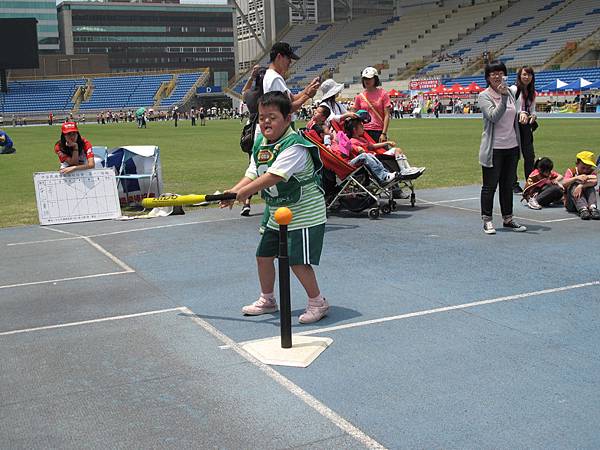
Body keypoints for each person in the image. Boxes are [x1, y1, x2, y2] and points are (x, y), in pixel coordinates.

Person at [220, 91, 329, 324]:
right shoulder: (261, 142)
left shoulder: (294, 146)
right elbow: (253, 172)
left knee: (297, 260)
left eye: (272, 116)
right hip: (277, 209)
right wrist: (233, 191)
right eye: (261, 117)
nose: (265, 122)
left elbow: (273, 176)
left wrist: (242, 194)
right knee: (264, 256)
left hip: (303, 211)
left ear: (288, 118)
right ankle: (267, 300)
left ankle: (318, 302)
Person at [478, 60, 527, 234]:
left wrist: (523, 113)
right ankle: (487, 220)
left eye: (500, 73)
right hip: (494, 149)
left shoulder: (512, 93)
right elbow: (493, 116)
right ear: (488, 78)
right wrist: (503, 97)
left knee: (507, 185)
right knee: (490, 186)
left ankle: (508, 218)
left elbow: (516, 111)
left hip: (512, 146)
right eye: (493, 74)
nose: (498, 76)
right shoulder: (484, 95)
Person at [239, 64, 267, 217]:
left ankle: (246, 202)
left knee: (252, 166)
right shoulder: (270, 94)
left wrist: (251, 76)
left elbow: (243, 92)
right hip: (267, 131)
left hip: (252, 132)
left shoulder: (250, 95)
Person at [512, 66, 538, 194]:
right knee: (514, 155)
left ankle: (530, 183)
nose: (526, 77)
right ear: (519, 76)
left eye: (529, 75)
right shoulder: (514, 89)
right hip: (514, 126)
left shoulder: (533, 92)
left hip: (526, 126)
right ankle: (513, 183)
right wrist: (520, 113)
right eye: (524, 75)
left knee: (530, 156)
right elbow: (509, 107)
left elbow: (532, 109)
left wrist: (533, 115)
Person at [352, 67, 391, 143]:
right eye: (365, 78)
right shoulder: (359, 97)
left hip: (378, 131)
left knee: (382, 153)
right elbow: (353, 114)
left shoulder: (383, 94)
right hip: (363, 132)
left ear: (375, 79)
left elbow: (387, 115)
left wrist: (384, 133)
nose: (367, 81)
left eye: (369, 78)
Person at [561, 151, 599, 220]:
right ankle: (583, 209)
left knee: (590, 186)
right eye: (583, 168)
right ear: (577, 164)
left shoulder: (591, 172)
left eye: (588, 168)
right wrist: (576, 178)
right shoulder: (571, 171)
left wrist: (581, 185)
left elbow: (595, 180)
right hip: (571, 204)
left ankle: (593, 208)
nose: (585, 171)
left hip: (587, 201)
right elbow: (564, 183)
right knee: (573, 185)